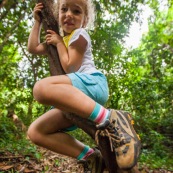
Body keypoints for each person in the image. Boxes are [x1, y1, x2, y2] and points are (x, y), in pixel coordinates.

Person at [27, 0, 141, 172]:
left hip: (92, 84)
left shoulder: (79, 34)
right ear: (57, 16)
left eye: (76, 11)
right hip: (75, 97)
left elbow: (70, 66)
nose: (69, 14)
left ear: (85, 20)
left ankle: (112, 119)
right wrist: (37, 21)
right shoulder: (61, 39)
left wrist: (58, 43)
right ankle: (91, 156)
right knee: (35, 132)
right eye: (64, 9)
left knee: (41, 89)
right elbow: (33, 48)